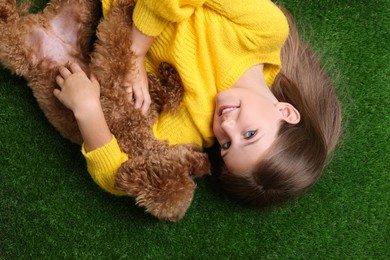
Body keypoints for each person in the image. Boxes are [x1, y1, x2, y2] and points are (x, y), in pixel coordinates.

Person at [54, 0, 342, 205]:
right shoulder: (266, 31)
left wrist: (87, 110)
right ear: (286, 112)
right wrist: (136, 50)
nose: (227, 127)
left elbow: (123, 176)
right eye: (250, 134)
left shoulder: (192, 129)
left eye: (227, 146)